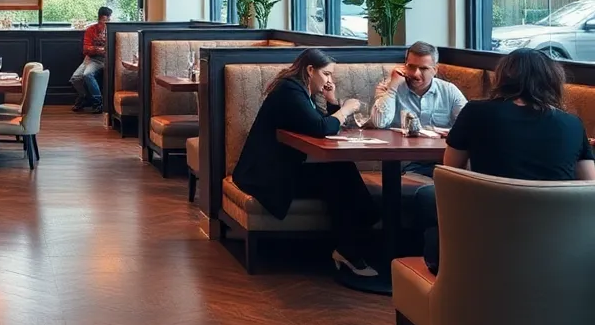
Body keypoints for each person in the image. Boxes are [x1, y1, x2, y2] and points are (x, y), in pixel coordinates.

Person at [417, 47, 595, 273]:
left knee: (425, 197)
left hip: (486, 241)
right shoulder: (573, 124)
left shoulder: (476, 112)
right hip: (554, 248)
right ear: (551, 81)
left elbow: (449, 173)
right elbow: (590, 188)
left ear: (502, 77)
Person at [231, 48, 380, 277]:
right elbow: (321, 128)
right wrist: (346, 108)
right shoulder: (289, 91)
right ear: (310, 70)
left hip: (280, 169)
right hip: (264, 177)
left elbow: (321, 123)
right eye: (327, 74)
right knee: (339, 175)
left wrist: (331, 101)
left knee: (340, 171)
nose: (330, 80)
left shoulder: (299, 91)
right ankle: (360, 237)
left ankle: (356, 240)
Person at [371, 41, 467, 176]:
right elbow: (379, 122)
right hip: (403, 163)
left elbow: (469, 128)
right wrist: (393, 88)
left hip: (442, 162)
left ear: (435, 70)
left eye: (423, 68)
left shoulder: (449, 91)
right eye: (411, 67)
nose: (415, 73)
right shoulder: (389, 87)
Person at [71, 6, 111, 114]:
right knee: (75, 78)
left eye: (108, 20)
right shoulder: (91, 30)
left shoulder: (112, 31)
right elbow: (85, 49)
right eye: (103, 20)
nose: (105, 23)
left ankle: (98, 103)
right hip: (90, 58)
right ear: (99, 19)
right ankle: (83, 97)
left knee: (87, 74)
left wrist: (96, 49)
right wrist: (99, 49)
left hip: (103, 60)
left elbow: (110, 50)